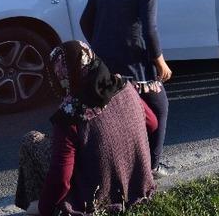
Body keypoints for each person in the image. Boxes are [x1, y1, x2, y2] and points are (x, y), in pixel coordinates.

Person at [14, 41, 156, 215]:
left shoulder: (70, 115)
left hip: (96, 199)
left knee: (32, 140)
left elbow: (62, 178)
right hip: (139, 186)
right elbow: (152, 123)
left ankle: (37, 205)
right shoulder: (123, 85)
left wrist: (45, 210)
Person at [80, 0, 173, 178]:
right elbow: (149, 29)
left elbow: (85, 20)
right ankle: (151, 166)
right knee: (160, 108)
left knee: (113, 112)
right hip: (136, 67)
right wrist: (160, 61)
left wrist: (100, 45)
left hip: (105, 64)